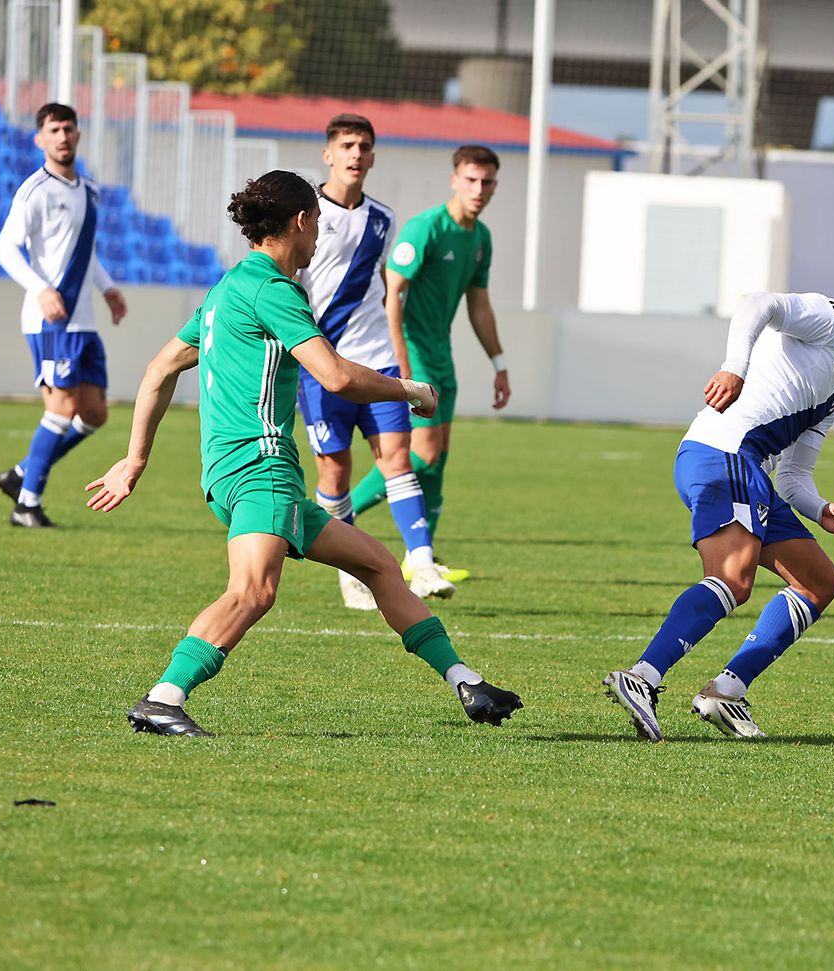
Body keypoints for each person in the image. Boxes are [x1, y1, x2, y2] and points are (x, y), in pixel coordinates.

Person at [86, 170, 521, 737]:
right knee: (253, 592)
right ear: (301, 221)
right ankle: (163, 697)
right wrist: (408, 389)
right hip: (260, 467)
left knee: (378, 565)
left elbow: (157, 370)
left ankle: (467, 683)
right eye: (317, 221)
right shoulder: (273, 290)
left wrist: (135, 459)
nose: (319, 235)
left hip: (241, 474)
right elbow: (335, 376)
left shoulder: (226, 290)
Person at [603, 281, 834, 742]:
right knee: (733, 577)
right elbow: (756, 304)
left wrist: (821, 509)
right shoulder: (833, 321)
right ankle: (642, 677)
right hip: (722, 453)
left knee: (819, 581)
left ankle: (727, 690)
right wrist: (733, 368)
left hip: (753, 474)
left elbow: (793, 477)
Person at [294, 114, 452, 608]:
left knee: (397, 461)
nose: (356, 154)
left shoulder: (382, 219)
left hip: (377, 363)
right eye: (346, 145)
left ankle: (423, 564)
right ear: (328, 154)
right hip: (323, 368)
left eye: (364, 146)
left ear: (373, 156)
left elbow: (385, 289)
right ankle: (350, 572)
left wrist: (401, 358)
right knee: (334, 476)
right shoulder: (303, 214)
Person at [347, 145, 512, 583]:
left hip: (443, 358)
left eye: (488, 181)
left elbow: (479, 306)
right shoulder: (425, 228)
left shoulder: (481, 238)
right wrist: (401, 363)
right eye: (471, 179)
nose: (480, 189)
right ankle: (338, 513)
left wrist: (499, 362)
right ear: (454, 180)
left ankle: (421, 562)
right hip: (414, 354)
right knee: (422, 452)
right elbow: (391, 294)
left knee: (437, 460)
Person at [0, 102, 127, 528]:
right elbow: (4, 248)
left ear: (78, 135)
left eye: (69, 128)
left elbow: (82, 255)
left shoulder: (89, 190)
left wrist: (107, 289)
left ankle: (21, 473)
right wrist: (40, 288)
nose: (62, 136)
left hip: (83, 321)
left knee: (94, 415)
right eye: (54, 130)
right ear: (40, 139)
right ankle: (26, 504)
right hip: (50, 320)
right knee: (62, 409)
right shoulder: (34, 191)